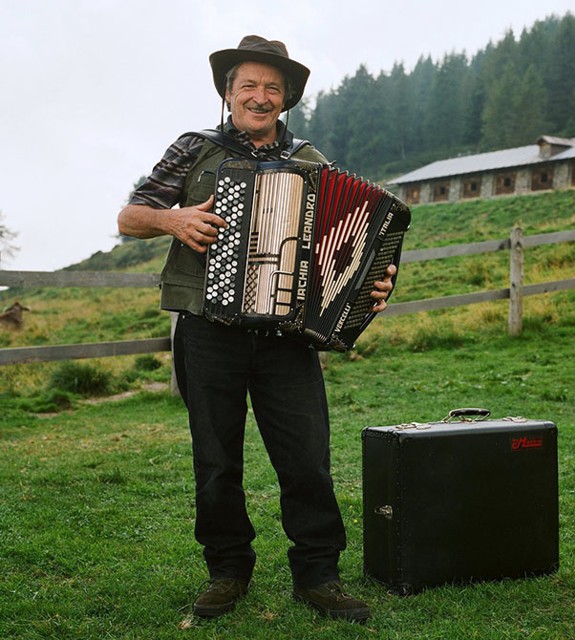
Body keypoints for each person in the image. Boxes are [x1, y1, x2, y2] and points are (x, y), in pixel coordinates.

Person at [117, 35, 396, 623]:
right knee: (216, 459)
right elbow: (129, 216)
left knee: (307, 460)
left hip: (287, 340)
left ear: (286, 97)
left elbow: (353, 242)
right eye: (249, 85)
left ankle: (318, 576)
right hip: (208, 331)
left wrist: (373, 281)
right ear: (228, 91)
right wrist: (172, 218)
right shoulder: (195, 150)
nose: (261, 96)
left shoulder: (311, 162)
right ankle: (227, 570)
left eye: (273, 87)